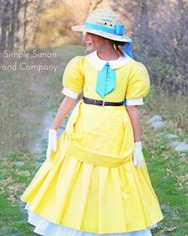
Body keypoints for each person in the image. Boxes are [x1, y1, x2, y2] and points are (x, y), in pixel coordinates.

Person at [20, 8, 163, 236]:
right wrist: (53, 129)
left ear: (105, 37)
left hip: (115, 128)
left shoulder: (133, 69)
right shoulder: (81, 64)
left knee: (114, 175)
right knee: (78, 173)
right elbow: (69, 98)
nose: (85, 38)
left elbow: (133, 108)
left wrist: (137, 144)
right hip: (84, 124)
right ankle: (75, 221)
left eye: (89, 34)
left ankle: (112, 223)